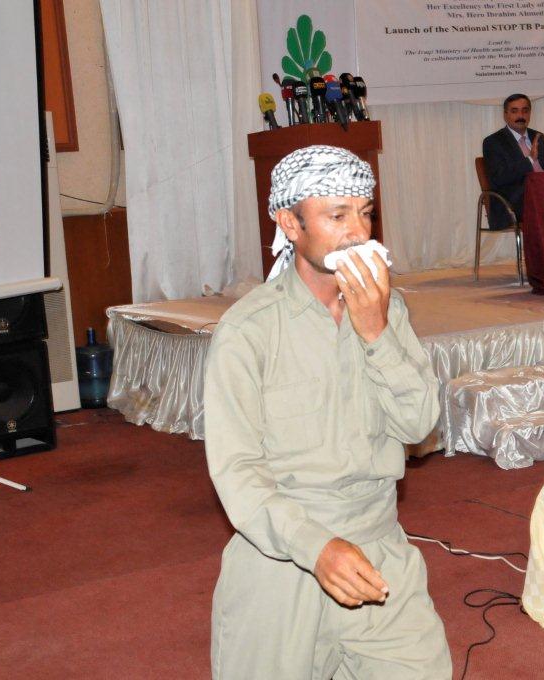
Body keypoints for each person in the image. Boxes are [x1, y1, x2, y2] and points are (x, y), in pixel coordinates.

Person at [204, 145, 452, 680]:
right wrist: (315, 548)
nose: (358, 233)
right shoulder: (248, 331)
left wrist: (376, 332)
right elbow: (238, 474)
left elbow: (418, 424)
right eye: (336, 216)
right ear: (289, 223)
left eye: (365, 213)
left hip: (378, 547)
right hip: (281, 562)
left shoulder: (388, 308)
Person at [482, 93, 544, 229]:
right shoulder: (493, 142)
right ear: (505, 115)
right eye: (514, 111)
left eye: (525, 110)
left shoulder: (538, 136)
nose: (520, 116)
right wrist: (529, 159)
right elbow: (499, 178)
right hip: (513, 201)